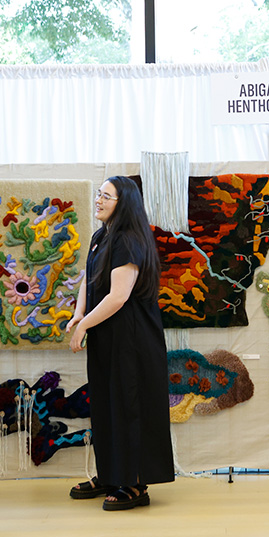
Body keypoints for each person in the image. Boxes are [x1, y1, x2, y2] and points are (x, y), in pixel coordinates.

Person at [67, 176, 174, 511]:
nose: (98, 200)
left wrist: (83, 325)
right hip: (107, 335)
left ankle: (134, 482)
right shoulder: (103, 236)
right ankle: (112, 473)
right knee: (106, 404)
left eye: (106, 196)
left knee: (129, 407)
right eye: (98, 194)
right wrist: (79, 311)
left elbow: (118, 296)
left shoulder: (128, 241)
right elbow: (90, 276)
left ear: (123, 203)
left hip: (132, 338)